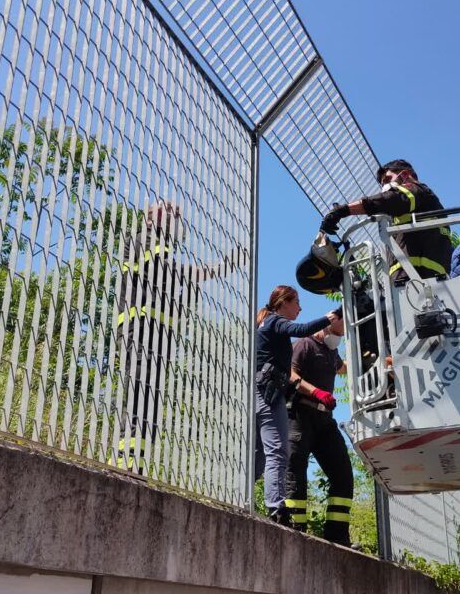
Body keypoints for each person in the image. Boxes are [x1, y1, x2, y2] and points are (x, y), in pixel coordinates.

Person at [115, 201, 243, 471]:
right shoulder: (143, 239)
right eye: (168, 212)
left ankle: (136, 466)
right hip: (139, 328)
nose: (175, 217)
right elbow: (168, 271)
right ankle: (125, 465)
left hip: (159, 335)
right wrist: (217, 268)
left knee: (150, 402)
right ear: (151, 218)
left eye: (177, 215)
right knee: (140, 395)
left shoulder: (165, 247)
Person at [254, 286, 341, 524]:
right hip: (269, 396)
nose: (300, 308)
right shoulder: (275, 321)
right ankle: (276, 507)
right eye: (297, 303)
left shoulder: (265, 324)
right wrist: (328, 318)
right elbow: (301, 330)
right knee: (277, 452)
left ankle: (239, 493)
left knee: (260, 455)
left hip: (259, 393)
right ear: (284, 302)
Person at [319, 159, 453, 283]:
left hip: (419, 277)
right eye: (382, 183)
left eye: (388, 179)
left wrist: (342, 210)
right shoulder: (402, 217)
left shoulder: (418, 190)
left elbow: (391, 199)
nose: (384, 186)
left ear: (405, 175)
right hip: (411, 280)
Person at [285, 319, 354, 546]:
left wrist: (377, 362)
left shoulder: (331, 352)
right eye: (336, 331)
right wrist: (315, 391)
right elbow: (290, 373)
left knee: (343, 473)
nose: (338, 337)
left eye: (341, 334)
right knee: (296, 471)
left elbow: (344, 368)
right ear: (326, 326)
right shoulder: (305, 345)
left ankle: (338, 535)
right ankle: (295, 530)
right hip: (300, 415)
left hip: (325, 420)